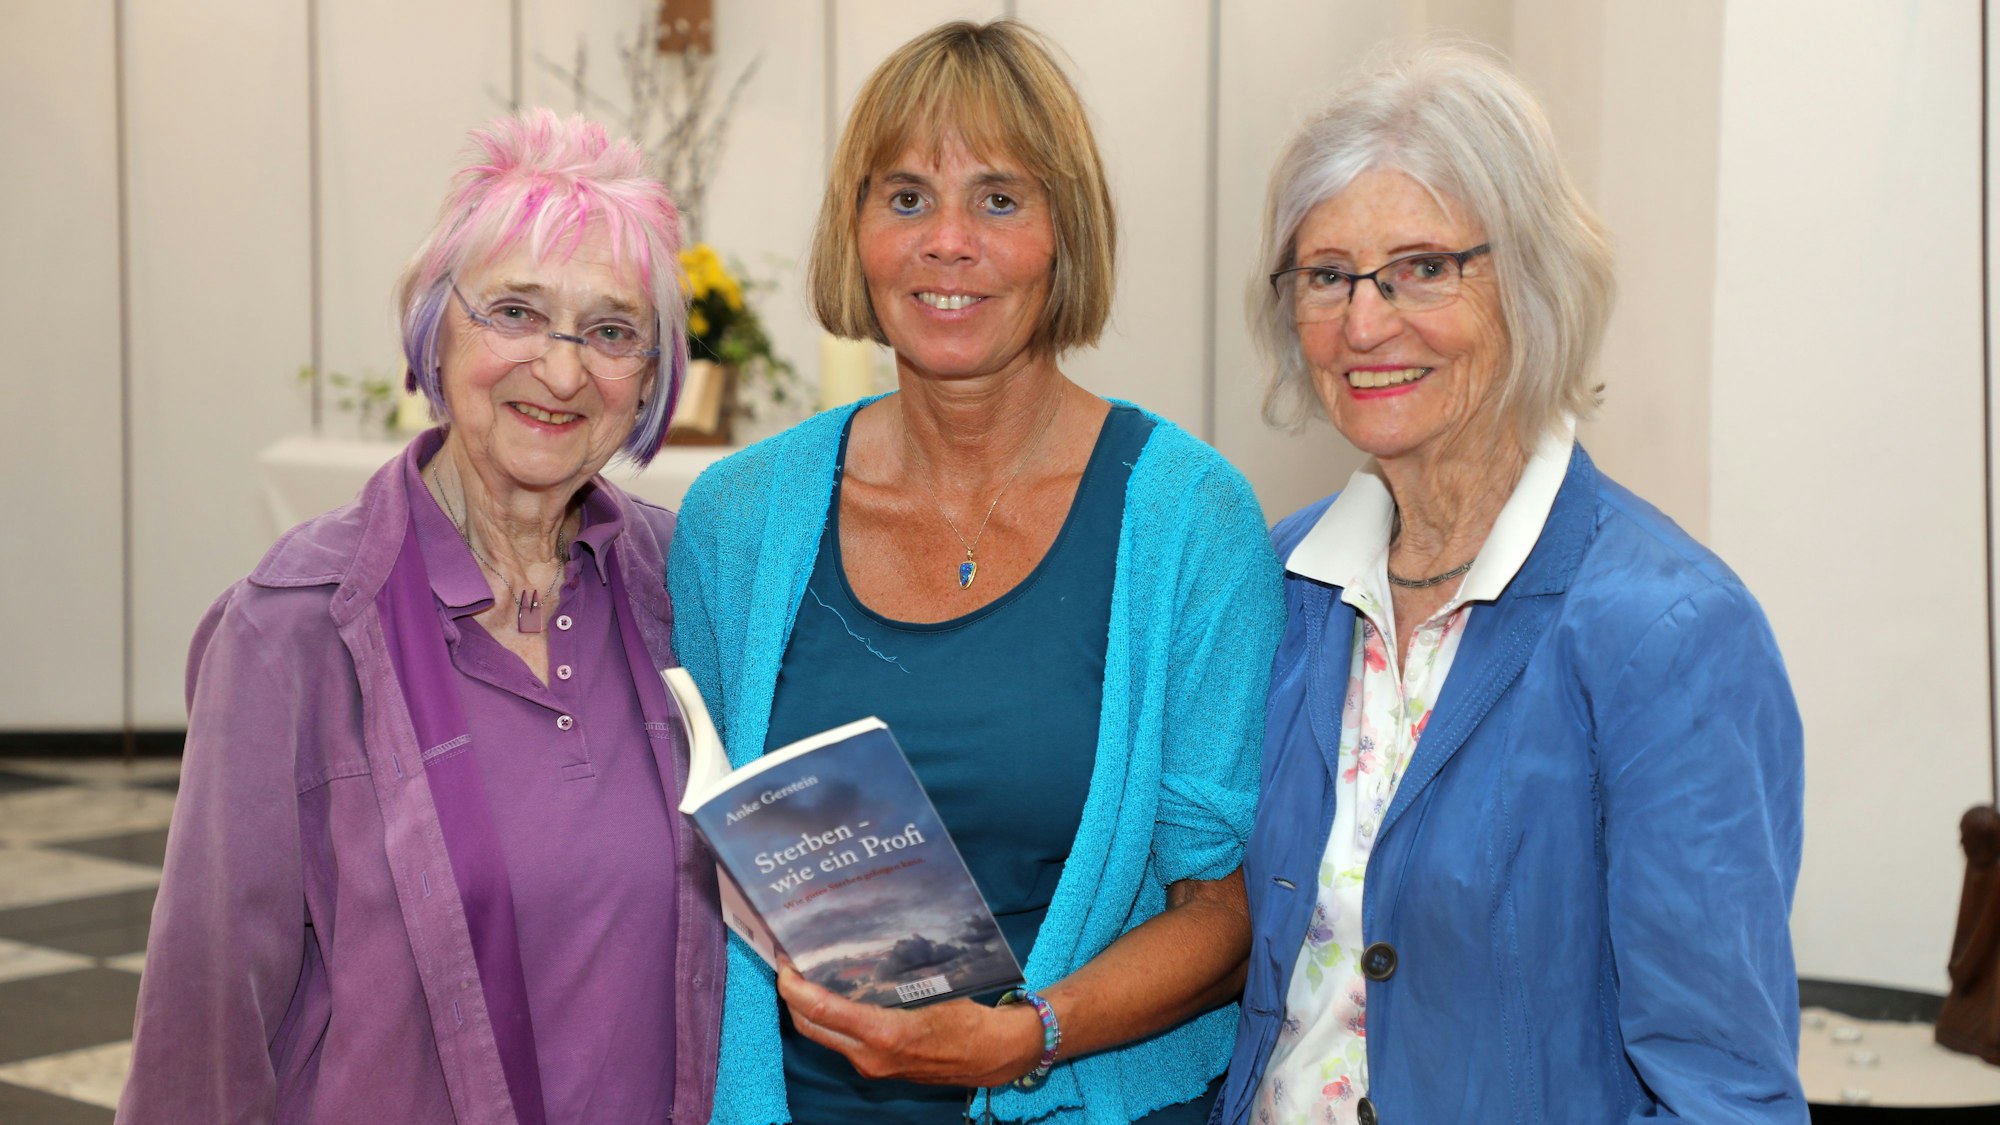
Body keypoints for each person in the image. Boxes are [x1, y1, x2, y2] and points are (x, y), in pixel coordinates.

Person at [669, 19, 1285, 1125]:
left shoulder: (1187, 520)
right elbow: (709, 864)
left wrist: (1025, 1035)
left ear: (1064, 234)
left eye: (999, 199)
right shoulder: (737, 522)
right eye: (905, 197)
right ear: (855, 232)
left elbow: (1225, 908)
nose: (946, 242)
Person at [1213, 44, 1806, 1125]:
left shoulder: (1669, 633)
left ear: (1531, 284)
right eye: (1327, 274)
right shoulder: (1279, 586)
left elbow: (1722, 1095)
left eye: (1423, 266)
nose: (1363, 323)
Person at [119, 111, 724, 1125]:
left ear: (650, 380)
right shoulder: (293, 630)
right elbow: (206, 1022)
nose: (563, 371)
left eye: (612, 331)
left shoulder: (686, 586)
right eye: (516, 312)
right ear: (434, 329)